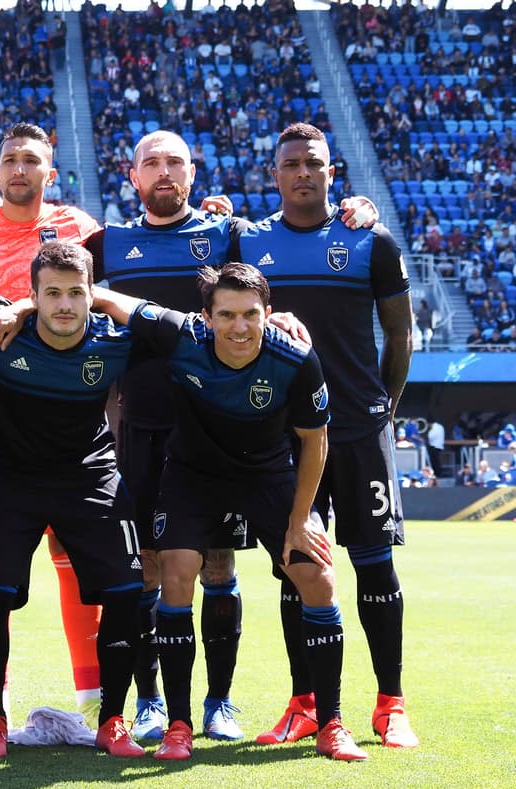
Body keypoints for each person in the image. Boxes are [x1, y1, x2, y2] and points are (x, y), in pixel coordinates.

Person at [78, 130, 377, 742]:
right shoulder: (106, 242)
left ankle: (219, 702)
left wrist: (354, 213)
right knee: (150, 568)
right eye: (151, 163)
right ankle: (153, 703)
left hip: (236, 428)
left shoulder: (226, 233)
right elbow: (75, 287)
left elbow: (271, 262)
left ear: (194, 174)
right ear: (131, 174)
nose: (164, 173)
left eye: (176, 164)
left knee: (219, 566)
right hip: (147, 427)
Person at [237, 122, 417, 749]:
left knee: (375, 567)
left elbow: (401, 335)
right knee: (298, 566)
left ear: (331, 171)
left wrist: (382, 408)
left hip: (359, 434)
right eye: (291, 164)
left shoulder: (371, 241)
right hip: (284, 438)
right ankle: (304, 703)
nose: (303, 173)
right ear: (276, 174)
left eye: (314, 163)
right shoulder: (248, 242)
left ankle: (390, 703)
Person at [0, 241, 144, 759]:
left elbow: (188, 327)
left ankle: (112, 721)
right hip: (12, 480)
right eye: (51, 294)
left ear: (92, 296)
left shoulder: (116, 340)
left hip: (90, 477)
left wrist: (278, 321)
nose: (64, 305)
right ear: (33, 296)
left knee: (128, 592)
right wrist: (14, 307)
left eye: (75, 293)